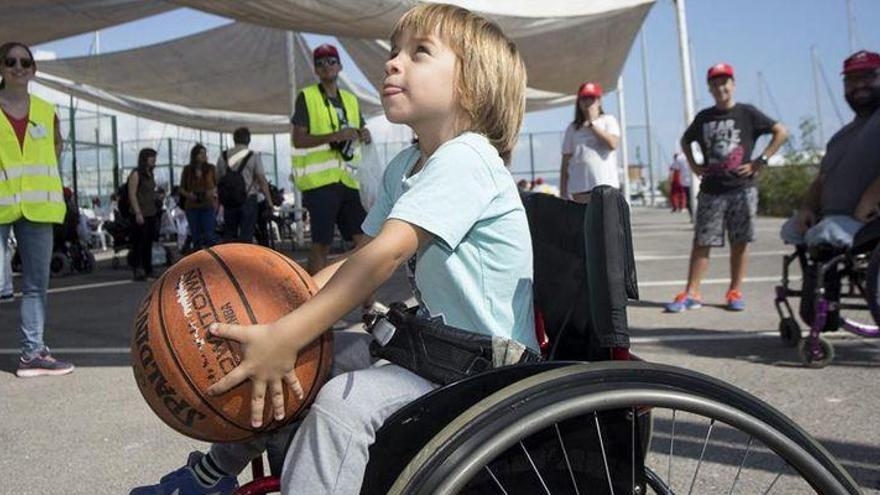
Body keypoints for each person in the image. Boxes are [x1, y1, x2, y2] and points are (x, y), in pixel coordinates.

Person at [131, 5, 537, 494]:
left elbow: (381, 259)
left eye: (419, 53)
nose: (391, 63)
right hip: (437, 351)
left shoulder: (467, 158)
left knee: (344, 405)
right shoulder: (409, 163)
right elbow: (355, 258)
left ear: (472, 87)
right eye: (393, 53)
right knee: (302, 354)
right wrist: (280, 320)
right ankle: (213, 473)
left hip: (483, 369)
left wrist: (287, 332)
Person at [665, 62, 788, 313]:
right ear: (709, 88)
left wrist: (760, 161)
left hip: (742, 188)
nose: (721, 87)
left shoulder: (747, 113)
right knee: (702, 241)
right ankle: (692, 292)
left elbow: (780, 132)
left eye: (725, 82)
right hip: (712, 188)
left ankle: (734, 290)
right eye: (715, 83)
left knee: (740, 241)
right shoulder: (704, 117)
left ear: (733, 84)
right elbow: (686, 140)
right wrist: (694, 165)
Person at [0, 41, 74, 377]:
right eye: (10, 61)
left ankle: (32, 355)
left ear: (33, 69)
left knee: (35, 285)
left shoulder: (47, 111)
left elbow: (55, 153)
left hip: (39, 210)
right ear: (1, 67)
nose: (18, 66)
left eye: (24, 62)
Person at [780, 50, 880, 248]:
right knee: (792, 229)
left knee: (827, 233)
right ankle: (816, 278)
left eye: (867, 77)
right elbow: (821, 180)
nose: (859, 85)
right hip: (832, 218)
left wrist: (872, 196)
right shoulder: (839, 137)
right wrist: (807, 207)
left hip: (867, 223)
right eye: (851, 80)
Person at [291, 43, 372, 274]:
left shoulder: (350, 99)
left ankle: (368, 302)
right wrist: (334, 135)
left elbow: (361, 129)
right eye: (320, 63)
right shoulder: (307, 97)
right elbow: (299, 140)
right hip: (320, 184)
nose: (326, 66)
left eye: (331, 61)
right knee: (322, 243)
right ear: (316, 70)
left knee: (362, 241)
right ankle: (311, 298)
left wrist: (365, 134)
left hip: (347, 180)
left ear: (340, 66)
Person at [559, 81, 620, 204]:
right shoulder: (572, 128)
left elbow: (612, 144)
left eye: (591, 98)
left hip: (605, 185)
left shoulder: (608, 120)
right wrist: (563, 190)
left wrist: (592, 125)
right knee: (583, 221)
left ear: (598, 101)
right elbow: (565, 161)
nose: (587, 102)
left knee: (605, 221)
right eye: (584, 98)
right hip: (579, 188)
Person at [216, 127, 273, 243]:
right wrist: (269, 201)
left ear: (234, 139)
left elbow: (218, 178)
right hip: (248, 199)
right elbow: (261, 179)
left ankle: (229, 259)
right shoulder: (253, 156)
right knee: (246, 234)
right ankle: (244, 259)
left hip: (229, 201)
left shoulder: (223, 156)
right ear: (249, 140)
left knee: (229, 234)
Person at [127, 148, 160, 281]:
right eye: (151, 157)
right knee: (138, 242)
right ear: (145, 159)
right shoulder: (136, 174)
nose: (154, 160)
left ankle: (148, 268)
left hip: (151, 212)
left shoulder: (150, 174)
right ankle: (138, 268)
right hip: (140, 213)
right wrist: (137, 212)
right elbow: (132, 194)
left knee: (148, 242)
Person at [179, 143, 218, 251]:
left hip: (208, 204)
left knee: (209, 235)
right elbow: (181, 188)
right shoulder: (187, 170)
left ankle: (212, 258)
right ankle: (199, 258)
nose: (203, 156)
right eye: (200, 153)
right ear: (194, 155)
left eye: (204, 153)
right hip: (192, 206)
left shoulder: (211, 168)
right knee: (196, 236)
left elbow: (217, 185)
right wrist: (189, 195)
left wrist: (212, 192)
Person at [669, 151, 692, 217]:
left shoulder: (679, 158)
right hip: (689, 181)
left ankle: (678, 207)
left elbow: (672, 169)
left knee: (678, 195)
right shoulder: (698, 154)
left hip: (682, 181)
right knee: (683, 195)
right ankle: (682, 207)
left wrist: (670, 179)